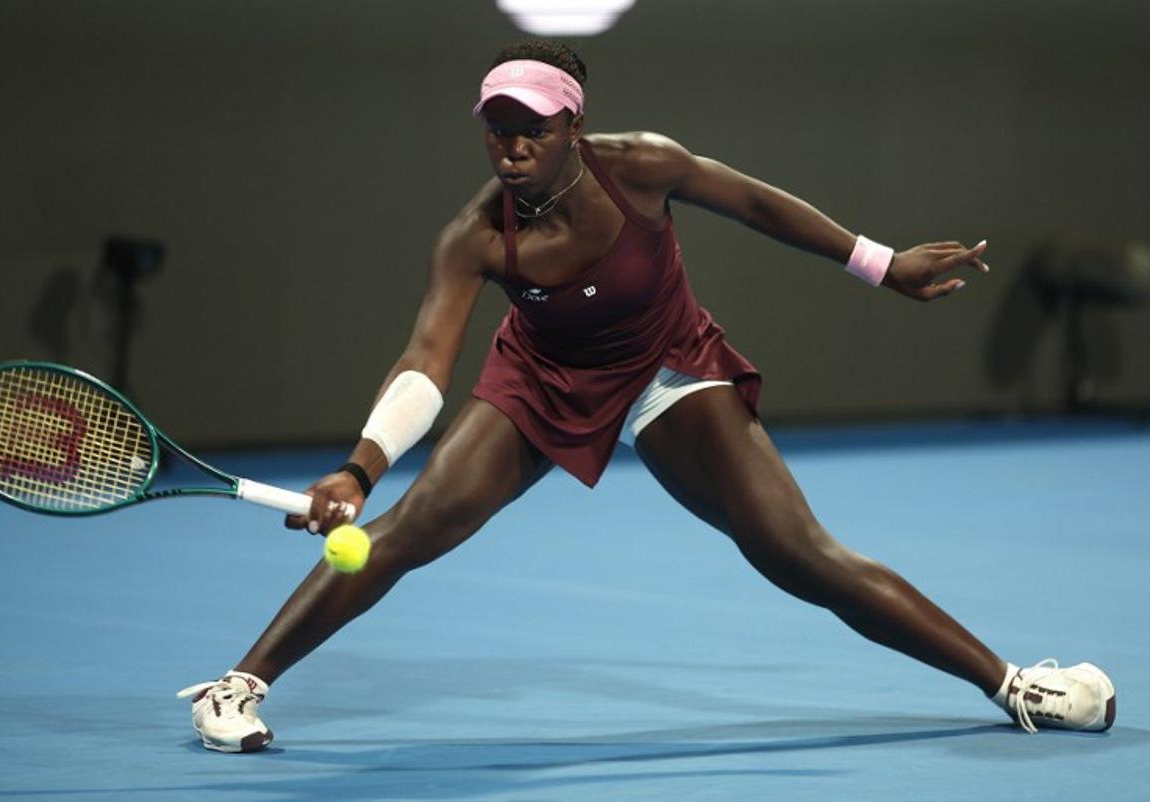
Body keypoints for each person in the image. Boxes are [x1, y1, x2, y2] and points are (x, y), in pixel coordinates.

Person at [177, 39, 1115, 753]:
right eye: (496, 125)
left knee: (802, 556)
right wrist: (359, 466)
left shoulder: (643, 167)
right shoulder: (474, 235)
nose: (509, 144)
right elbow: (427, 357)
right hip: (541, 379)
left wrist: (882, 264)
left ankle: (1011, 684)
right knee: (410, 528)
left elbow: (754, 203)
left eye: (530, 127)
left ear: (572, 127)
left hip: (669, 368)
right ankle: (238, 685)